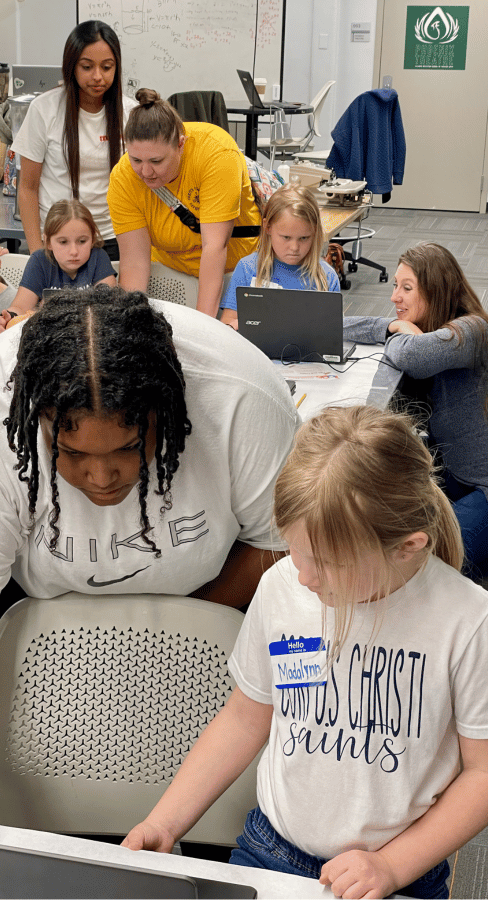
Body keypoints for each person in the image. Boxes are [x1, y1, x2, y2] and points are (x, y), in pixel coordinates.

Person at [0, 286, 299, 839]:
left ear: (167, 412)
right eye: (73, 453)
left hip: (209, 612)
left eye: (126, 448)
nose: (102, 476)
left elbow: (284, 547)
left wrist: (202, 611)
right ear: (36, 422)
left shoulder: (240, 398)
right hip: (37, 614)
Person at [123, 404, 488, 900]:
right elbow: (245, 719)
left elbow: (482, 775)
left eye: (327, 562)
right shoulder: (283, 587)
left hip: (397, 868)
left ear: (409, 545)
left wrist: (391, 867)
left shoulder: (468, 620)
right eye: (296, 552)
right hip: (270, 849)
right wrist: (164, 822)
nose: (305, 576)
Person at [343, 242, 488, 581]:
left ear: (436, 290)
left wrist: (398, 334)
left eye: (407, 288)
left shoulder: (474, 330)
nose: (395, 296)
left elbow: (414, 357)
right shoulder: (428, 331)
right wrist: (393, 327)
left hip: (482, 486)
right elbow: (339, 326)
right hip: (452, 475)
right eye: (395, 285)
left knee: (423, 565)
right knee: (381, 528)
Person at [107, 89, 261, 318]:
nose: (146, 172)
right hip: (172, 271)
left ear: (181, 144)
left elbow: (215, 248)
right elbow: (135, 263)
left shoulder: (216, 153)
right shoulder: (123, 176)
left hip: (235, 271)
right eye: (136, 159)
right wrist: (129, 324)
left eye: (157, 161)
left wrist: (203, 327)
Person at [12, 20, 135, 261]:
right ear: (72, 66)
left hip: (116, 239)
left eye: (107, 67)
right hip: (59, 240)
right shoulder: (44, 109)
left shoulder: (130, 112)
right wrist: (37, 253)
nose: (98, 76)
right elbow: (27, 188)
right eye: (87, 67)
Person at [219, 184, 340, 329]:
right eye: (286, 237)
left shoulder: (326, 277)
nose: (294, 248)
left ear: (315, 232)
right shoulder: (247, 268)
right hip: (255, 351)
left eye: (304, 238)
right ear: (267, 227)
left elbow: (332, 333)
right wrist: (239, 325)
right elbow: (226, 326)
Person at [0, 199, 116, 331]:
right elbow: (20, 307)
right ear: (48, 242)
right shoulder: (39, 261)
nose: (74, 251)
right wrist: (8, 318)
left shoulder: (99, 258)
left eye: (82, 241)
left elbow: (108, 307)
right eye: (63, 242)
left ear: (92, 239)